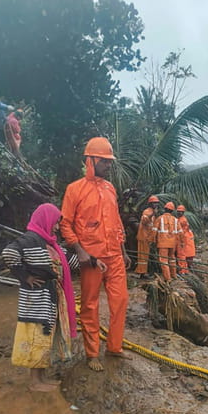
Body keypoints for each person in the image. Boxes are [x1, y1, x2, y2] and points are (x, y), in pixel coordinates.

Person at [60, 137, 131, 372]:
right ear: (91, 160)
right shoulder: (74, 190)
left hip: (115, 257)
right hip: (92, 259)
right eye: (104, 160)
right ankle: (92, 354)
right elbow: (65, 224)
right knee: (90, 306)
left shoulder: (110, 189)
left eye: (110, 161)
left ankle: (114, 347)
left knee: (120, 301)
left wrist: (123, 250)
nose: (109, 165)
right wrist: (79, 250)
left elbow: (117, 222)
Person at [2, 204, 77, 392]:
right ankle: (35, 382)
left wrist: (93, 258)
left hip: (50, 297)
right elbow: (9, 253)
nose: (57, 227)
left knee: (45, 336)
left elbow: (72, 261)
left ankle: (42, 377)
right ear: (46, 219)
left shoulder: (51, 244)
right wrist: (25, 277)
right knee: (37, 335)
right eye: (56, 222)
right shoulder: (30, 240)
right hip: (36, 299)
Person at [153, 201, 183, 281]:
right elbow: (180, 233)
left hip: (163, 243)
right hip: (173, 243)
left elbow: (154, 231)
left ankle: (167, 278)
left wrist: (152, 241)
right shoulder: (176, 220)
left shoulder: (160, 218)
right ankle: (174, 275)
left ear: (165, 209)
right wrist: (181, 242)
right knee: (172, 259)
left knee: (163, 260)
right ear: (172, 211)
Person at [134, 195, 159, 279]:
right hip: (143, 237)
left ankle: (143, 272)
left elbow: (152, 227)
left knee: (145, 256)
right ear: (150, 204)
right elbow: (144, 221)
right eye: (154, 203)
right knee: (142, 256)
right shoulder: (147, 212)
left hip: (147, 238)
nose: (156, 205)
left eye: (156, 203)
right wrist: (152, 214)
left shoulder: (153, 214)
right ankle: (141, 272)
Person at [176, 205, 196, 274]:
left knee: (182, 256)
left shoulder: (182, 221)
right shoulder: (182, 220)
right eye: (178, 211)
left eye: (181, 212)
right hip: (187, 242)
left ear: (183, 212)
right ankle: (186, 269)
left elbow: (180, 232)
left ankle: (183, 271)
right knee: (187, 256)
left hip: (184, 241)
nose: (179, 213)